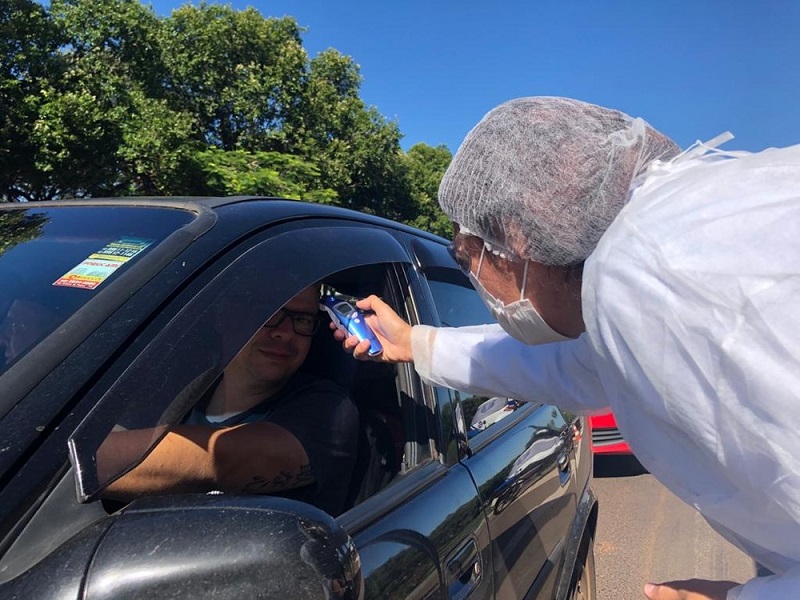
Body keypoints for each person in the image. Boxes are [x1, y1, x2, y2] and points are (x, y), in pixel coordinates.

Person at [335, 97, 800, 599]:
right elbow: (567, 366)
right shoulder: (682, 232)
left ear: (514, 235)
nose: (478, 286)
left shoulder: (647, 275)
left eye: (465, 255)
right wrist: (414, 343)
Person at [98, 284, 360, 517]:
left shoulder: (329, 412)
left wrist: (72, 460)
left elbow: (220, 459)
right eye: (268, 311)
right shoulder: (175, 388)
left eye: (302, 320)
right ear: (225, 315)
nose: (285, 333)